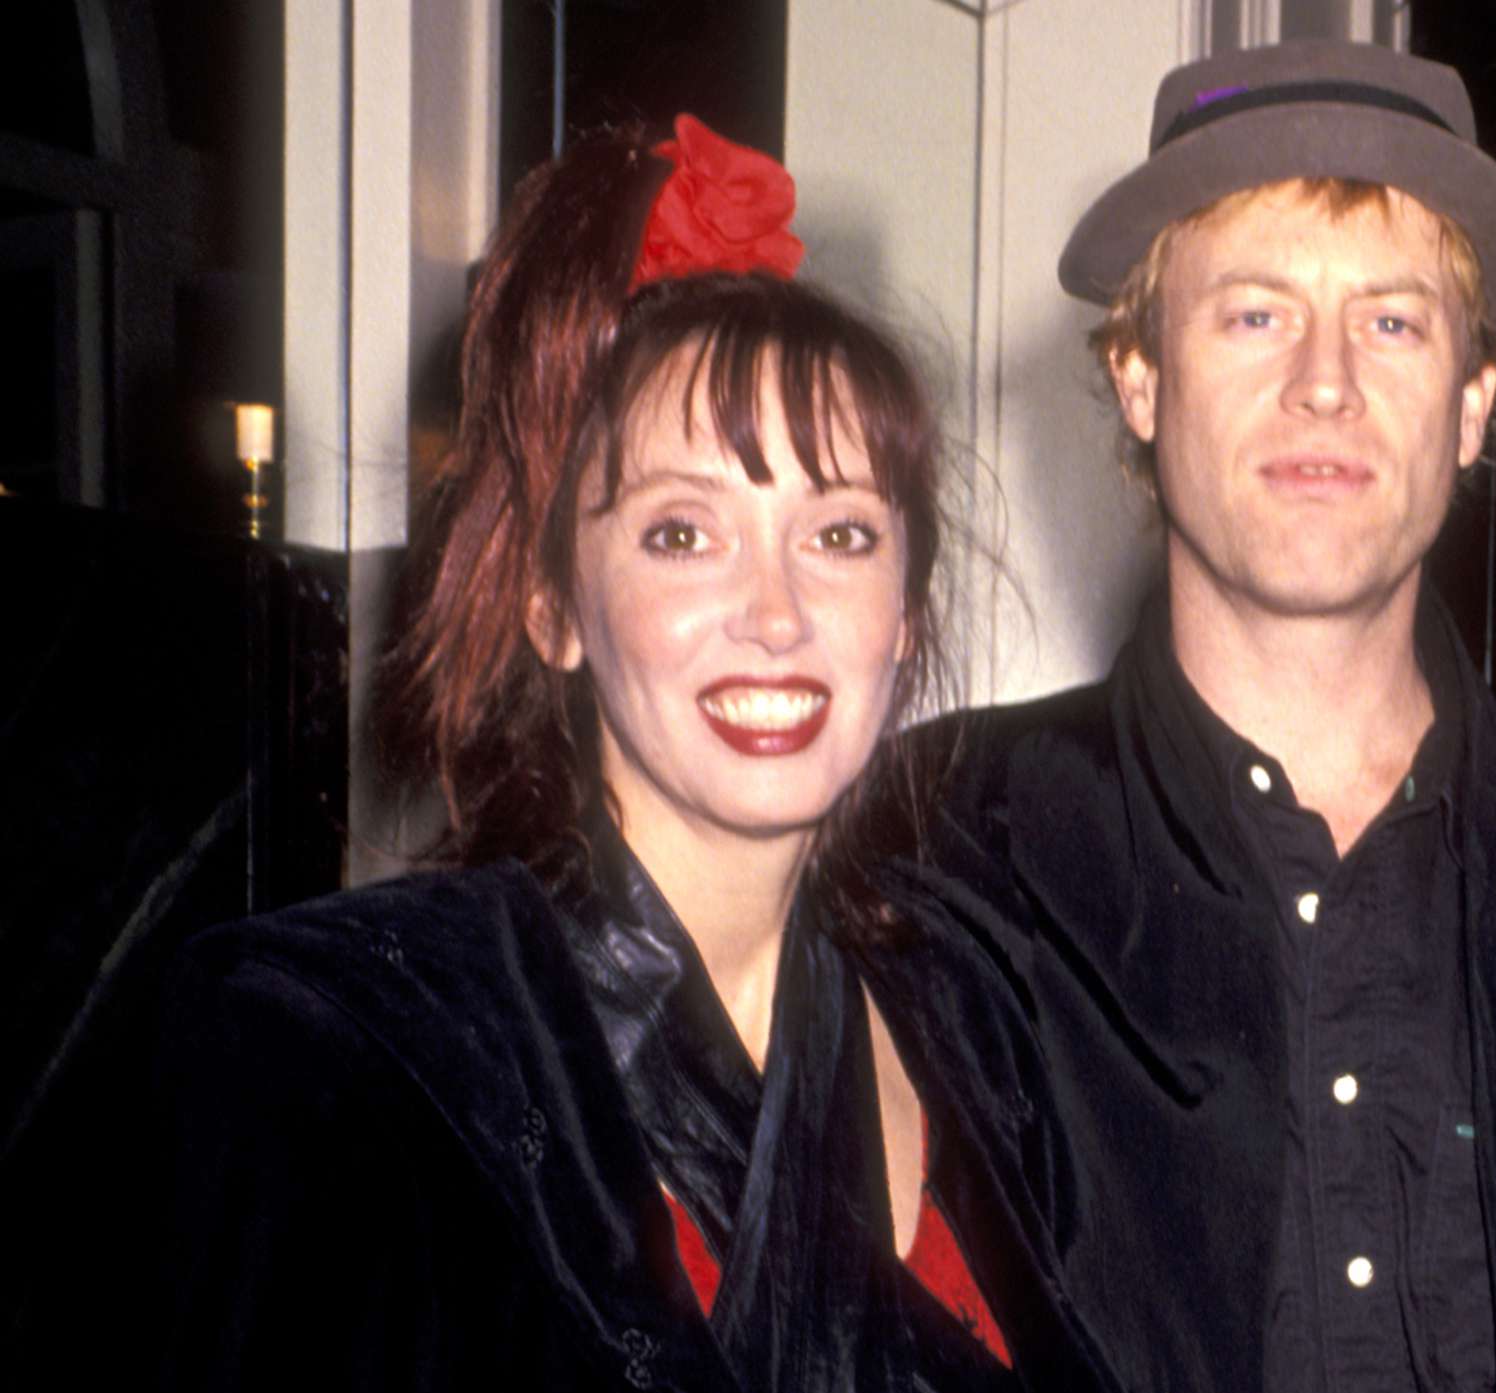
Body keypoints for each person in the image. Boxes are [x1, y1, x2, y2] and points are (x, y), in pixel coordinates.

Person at [856, 40, 1496, 1393]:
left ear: (1474, 404)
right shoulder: (920, 872)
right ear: (1139, 379)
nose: (1325, 381)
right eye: (1253, 313)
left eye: (1393, 321)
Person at [76, 118, 1021, 1391]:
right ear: (552, 608)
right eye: (682, 534)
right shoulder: (339, 1051)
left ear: (905, 615)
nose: (778, 613)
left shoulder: (979, 1030)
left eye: (839, 534)